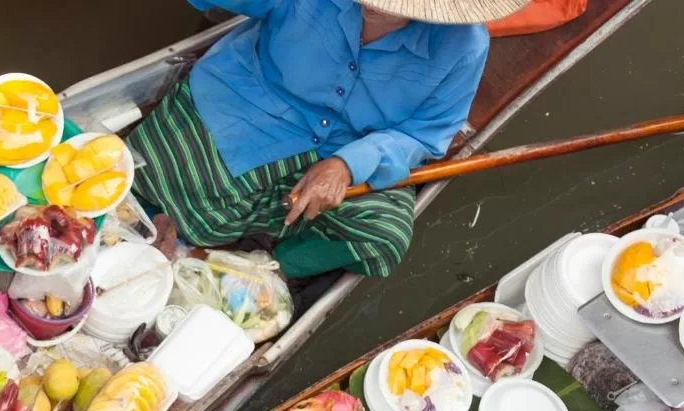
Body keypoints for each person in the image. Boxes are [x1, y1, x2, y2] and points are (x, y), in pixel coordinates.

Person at [129, 0, 527, 281]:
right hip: (251, 103)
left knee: (385, 236)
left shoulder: (465, 45)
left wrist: (349, 163)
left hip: (350, 144)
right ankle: (176, 220)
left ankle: (265, 269)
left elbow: (426, 134)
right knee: (157, 171)